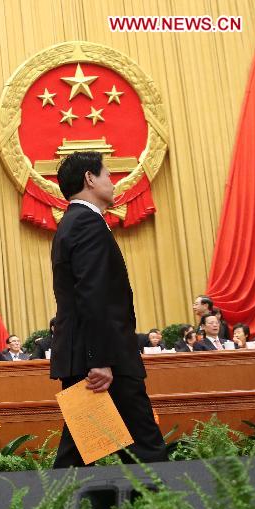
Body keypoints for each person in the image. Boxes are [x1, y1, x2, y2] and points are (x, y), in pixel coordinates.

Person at [50, 152, 167, 468]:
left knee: (80, 456)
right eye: (107, 175)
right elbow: (94, 295)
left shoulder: (73, 223)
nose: (112, 182)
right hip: (103, 363)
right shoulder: (87, 224)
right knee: (146, 450)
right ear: (90, 178)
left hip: (91, 357)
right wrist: (100, 360)